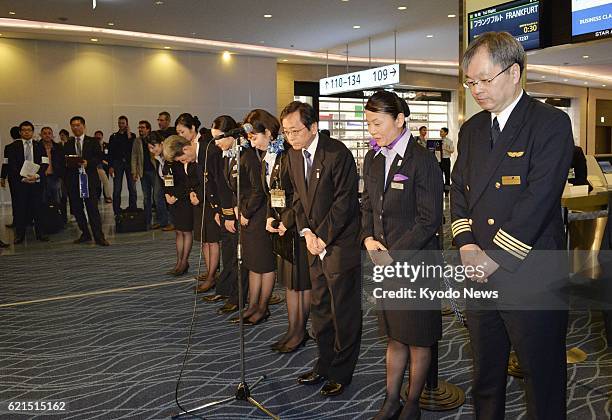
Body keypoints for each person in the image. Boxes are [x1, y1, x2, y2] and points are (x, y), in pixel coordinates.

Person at [451, 32, 574, 420]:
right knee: (486, 375)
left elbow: (538, 200)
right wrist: (467, 245)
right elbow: (457, 191)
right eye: (471, 82)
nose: (476, 90)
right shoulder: (471, 130)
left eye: (484, 80)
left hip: (530, 271)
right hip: (478, 272)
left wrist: (495, 257)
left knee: (541, 377)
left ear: (515, 72)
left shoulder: (550, 123)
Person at [361, 91, 443, 419]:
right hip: (384, 261)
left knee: (418, 338)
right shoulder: (373, 157)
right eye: (368, 123)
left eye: (377, 123)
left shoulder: (422, 160)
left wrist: (393, 255)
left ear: (399, 119)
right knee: (395, 335)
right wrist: (367, 238)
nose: (372, 131)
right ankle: (391, 399)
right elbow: (367, 203)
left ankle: (412, 403)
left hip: (416, 262)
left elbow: (430, 219)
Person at [282, 101, 362, 397]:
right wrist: (305, 232)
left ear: (313, 127)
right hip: (312, 244)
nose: (290, 137)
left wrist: (322, 238)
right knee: (321, 310)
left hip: (339, 243)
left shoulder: (337, 153)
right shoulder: (291, 155)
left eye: (295, 131)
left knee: (344, 312)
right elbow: (297, 200)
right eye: (286, 132)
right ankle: (324, 364)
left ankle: (342, 371)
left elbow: (344, 204)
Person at [243, 109, 312, 350]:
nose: (252, 141)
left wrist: (287, 220)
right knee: (290, 283)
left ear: (269, 133)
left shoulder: (287, 155)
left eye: (254, 136)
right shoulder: (266, 158)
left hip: (298, 227)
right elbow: (270, 194)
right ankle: (293, 329)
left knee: (299, 283)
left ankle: (299, 331)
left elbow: (300, 195)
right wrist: (271, 219)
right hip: (281, 226)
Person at [174, 113, 222, 291]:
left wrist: (199, 194)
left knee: (212, 239)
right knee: (203, 239)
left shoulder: (205, 144)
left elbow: (210, 176)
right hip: (197, 199)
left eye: (182, 131)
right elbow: (189, 178)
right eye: (177, 132)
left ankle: (212, 275)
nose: (180, 135)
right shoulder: (185, 147)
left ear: (192, 128)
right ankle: (210, 270)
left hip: (209, 198)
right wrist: (193, 192)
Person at [210, 116, 248, 315]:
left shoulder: (244, 153)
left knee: (239, 258)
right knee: (230, 255)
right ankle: (229, 291)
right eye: (213, 138)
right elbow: (223, 187)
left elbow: (245, 189)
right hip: (228, 212)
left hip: (242, 213)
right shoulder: (224, 155)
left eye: (219, 138)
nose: (216, 143)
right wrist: (222, 213)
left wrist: (233, 214)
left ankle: (239, 297)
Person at [64, 116, 109, 246]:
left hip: (88, 179)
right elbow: (64, 161)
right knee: (77, 209)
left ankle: (99, 236)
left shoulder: (93, 141)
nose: (75, 128)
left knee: (92, 209)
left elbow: (99, 157)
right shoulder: (68, 143)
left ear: (84, 126)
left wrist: (88, 162)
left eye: (78, 125)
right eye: (73, 125)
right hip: (74, 180)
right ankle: (85, 233)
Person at [163, 135, 201, 276]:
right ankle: (179, 261)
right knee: (178, 232)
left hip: (184, 199)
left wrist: (176, 195)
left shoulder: (183, 160)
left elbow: (187, 182)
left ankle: (184, 261)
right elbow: (167, 180)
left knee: (186, 231)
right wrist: (167, 194)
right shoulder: (168, 162)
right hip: (173, 201)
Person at [6, 121, 49, 244]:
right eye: (24, 130)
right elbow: (12, 165)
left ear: (32, 132)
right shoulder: (13, 147)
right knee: (20, 209)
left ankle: (40, 233)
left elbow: (45, 163)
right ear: (20, 132)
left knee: (38, 209)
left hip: (36, 182)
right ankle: (20, 235)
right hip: (21, 183)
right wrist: (22, 177)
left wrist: (36, 176)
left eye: (29, 130)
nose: (26, 132)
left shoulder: (39, 145)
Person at [108, 115, 137, 215]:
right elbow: (110, 153)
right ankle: (117, 209)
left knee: (132, 188)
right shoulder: (113, 136)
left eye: (123, 123)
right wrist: (110, 166)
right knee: (117, 188)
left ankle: (133, 207)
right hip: (117, 164)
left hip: (129, 164)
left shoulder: (132, 136)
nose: (121, 125)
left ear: (127, 124)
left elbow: (133, 150)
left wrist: (128, 135)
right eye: (119, 123)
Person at [131, 120, 158, 228]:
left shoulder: (153, 138)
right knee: (146, 197)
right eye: (139, 127)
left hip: (154, 171)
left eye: (142, 127)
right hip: (143, 172)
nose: (140, 129)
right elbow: (134, 156)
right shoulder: (137, 141)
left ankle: (162, 221)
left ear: (148, 129)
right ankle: (147, 220)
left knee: (157, 196)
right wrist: (134, 171)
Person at [145, 132, 172, 230]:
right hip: (165, 181)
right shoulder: (158, 157)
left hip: (174, 186)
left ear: (162, 143)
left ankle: (172, 222)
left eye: (153, 147)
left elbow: (170, 175)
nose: (152, 150)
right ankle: (164, 221)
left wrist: (169, 190)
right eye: (149, 148)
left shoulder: (169, 156)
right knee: (158, 197)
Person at [1, 126, 21, 228]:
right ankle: (29, 220)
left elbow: (5, 163)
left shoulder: (8, 147)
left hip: (13, 178)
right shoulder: (28, 146)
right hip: (28, 176)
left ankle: (16, 221)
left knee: (15, 200)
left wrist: (2, 177)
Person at [40, 126, 65, 205]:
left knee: (57, 201)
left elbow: (62, 162)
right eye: (44, 133)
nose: (47, 135)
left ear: (52, 135)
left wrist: (60, 175)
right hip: (41, 177)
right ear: (41, 135)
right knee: (42, 201)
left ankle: (57, 217)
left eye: (49, 133)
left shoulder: (58, 147)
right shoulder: (37, 147)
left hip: (55, 177)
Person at [94, 130, 112, 203]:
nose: (98, 136)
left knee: (106, 181)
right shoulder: (93, 145)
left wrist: (108, 163)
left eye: (99, 135)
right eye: (96, 135)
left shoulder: (106, 145)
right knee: (97, 182)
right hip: (98, 165)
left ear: (102, 136)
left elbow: (109, 155)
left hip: (106, 165)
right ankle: (97, 196)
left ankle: (107, 196)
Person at [439, 127, 454, 195]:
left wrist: (445, 149)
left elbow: (452, 150)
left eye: (442, 132)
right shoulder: (438, 141)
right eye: (440, 132)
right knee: (439, 175)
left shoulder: (449, 141)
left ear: (446, 133)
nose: (440, 133)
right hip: (439, 160)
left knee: (447, 176)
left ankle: (447, 191)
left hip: (446, 160)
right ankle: (440, 189)